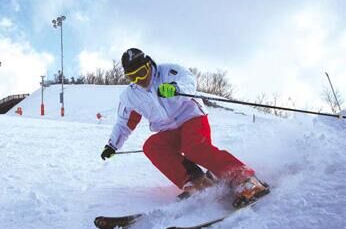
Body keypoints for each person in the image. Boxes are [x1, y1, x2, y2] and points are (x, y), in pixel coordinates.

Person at [100, 48, 269, 207]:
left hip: (191, 117)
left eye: (142, 73)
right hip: (168, 130)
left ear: (149, 64)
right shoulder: (130, 96)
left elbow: (189, 80)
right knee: (151, 146)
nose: (140, 80)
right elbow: (124, 123)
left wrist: (176, 88)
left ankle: (244, 179)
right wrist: (112, 145)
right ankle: (197, 181)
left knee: (193, 148)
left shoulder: (169, 72)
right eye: (132, 77)